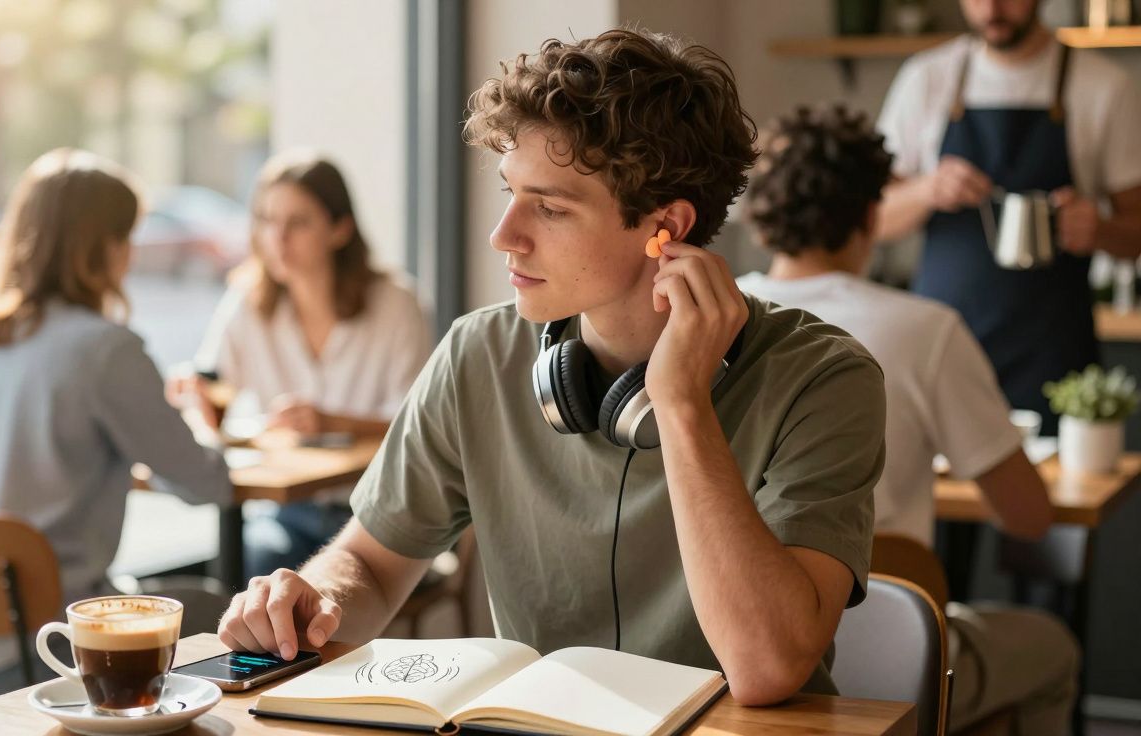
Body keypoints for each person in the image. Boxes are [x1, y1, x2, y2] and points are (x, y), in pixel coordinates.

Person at [218, 28, 887, 706]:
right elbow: (370, 562)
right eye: (510, 193)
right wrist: (316, 598)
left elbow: (768, 668)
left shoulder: (824, 379)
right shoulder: (478, 354)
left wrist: (681, 402)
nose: (503, 235)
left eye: (550, 207)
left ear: (668, 228)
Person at [737, 104, 1077, 735]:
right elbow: (1027, 515)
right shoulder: (926, 330)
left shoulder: (705, 318)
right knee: (1050, 646)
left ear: (761, 219)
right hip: (882, 658)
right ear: (873, 215)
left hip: (728, 655)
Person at [0, 148, 232, 704]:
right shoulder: (104, 350)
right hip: (38, 656)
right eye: (126, 237)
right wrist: (204, 418)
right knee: (221, 611)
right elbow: (206, 483)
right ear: (103, 247)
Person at [875, 0, 1141, 435]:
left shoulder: (1105, 86)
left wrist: (1102, 230)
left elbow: (1136, 233)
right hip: (941, 353)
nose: (993, 7)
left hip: (1054, 357)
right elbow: (872, 220)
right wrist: (926, 190)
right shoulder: (926, 79)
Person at [173, 152, 430, 578]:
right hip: (287, 512)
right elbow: (211, 385)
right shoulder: (248, 302)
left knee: (296, 584)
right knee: (257, 571)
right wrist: (192, 393)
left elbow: (418, 428)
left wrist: (329, 421)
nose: (277, 238)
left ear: (340, 229)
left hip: (377, 512)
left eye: (299, 222)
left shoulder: (396, 304)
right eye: (268, 220)